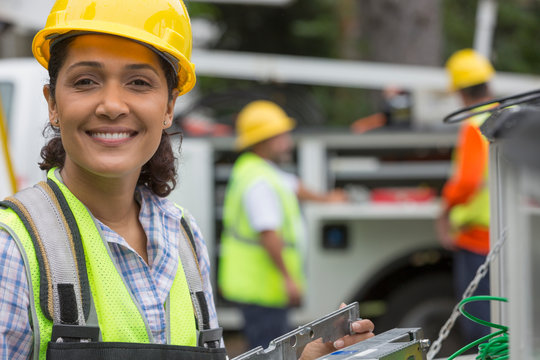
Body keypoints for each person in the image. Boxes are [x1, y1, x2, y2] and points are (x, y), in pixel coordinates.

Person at [0, 1, 374, 359]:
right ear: (52, 103)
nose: (112, 105)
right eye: (85, 81)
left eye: (139, 83)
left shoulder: (182, 236)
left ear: (168, 108)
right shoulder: (13, 248)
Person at [218, 100, 351, 351]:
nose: (288, 142)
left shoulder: (258, 170)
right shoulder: (260, 182)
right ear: (263, 140)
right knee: (270, 352)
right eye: (281, 136)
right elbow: (268, 233)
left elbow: (293, 185)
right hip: (262, 288)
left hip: (259, 286)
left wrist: (327, 198)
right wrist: (289, 279)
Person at [436, 48, 495, 344]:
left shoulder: (474, 125)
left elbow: (468, 180)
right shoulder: (504, 115)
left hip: (476, 239)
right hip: (501, 232)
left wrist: (444, 211)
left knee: (479, 325)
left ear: (460, 92)